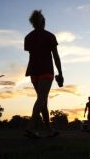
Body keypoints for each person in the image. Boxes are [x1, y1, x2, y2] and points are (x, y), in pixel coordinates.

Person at [24, 10, 63, 138]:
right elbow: (56, 57)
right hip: (46, 70)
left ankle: (49, 130)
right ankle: (31, 127)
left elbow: (31, 53)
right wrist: (60, 73)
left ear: (32, 23)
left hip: (33, 71)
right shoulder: (50, 36)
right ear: (43, 21)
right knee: (41, 99)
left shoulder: (28, 37)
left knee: (43, 101)